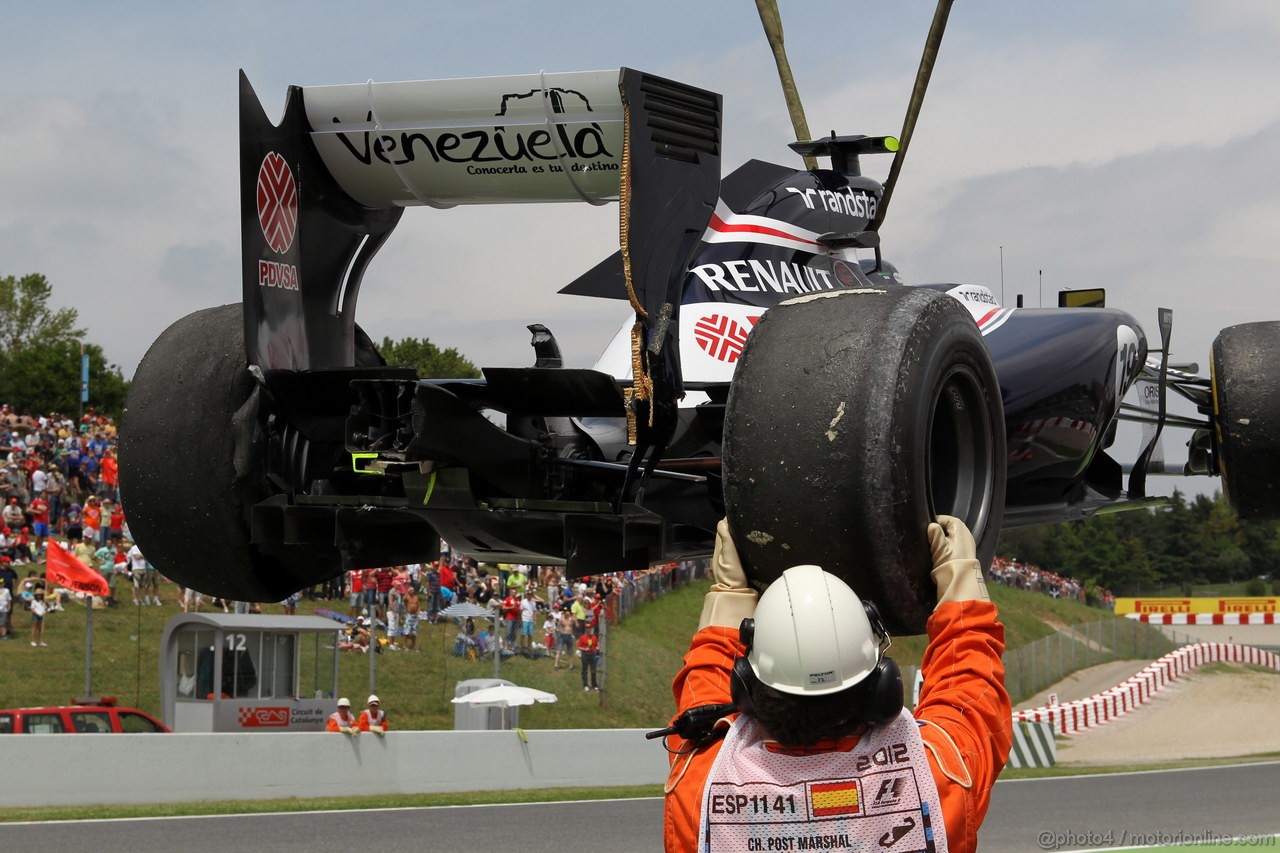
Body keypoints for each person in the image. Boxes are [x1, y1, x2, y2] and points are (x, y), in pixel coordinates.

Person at [661, 517, 1011, 853]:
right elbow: (971, 685)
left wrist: (728, 593)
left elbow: (702, 698)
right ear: (880, 690)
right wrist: (961, 577)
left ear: (747, 687)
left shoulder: (700, 786)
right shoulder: (940, 777)